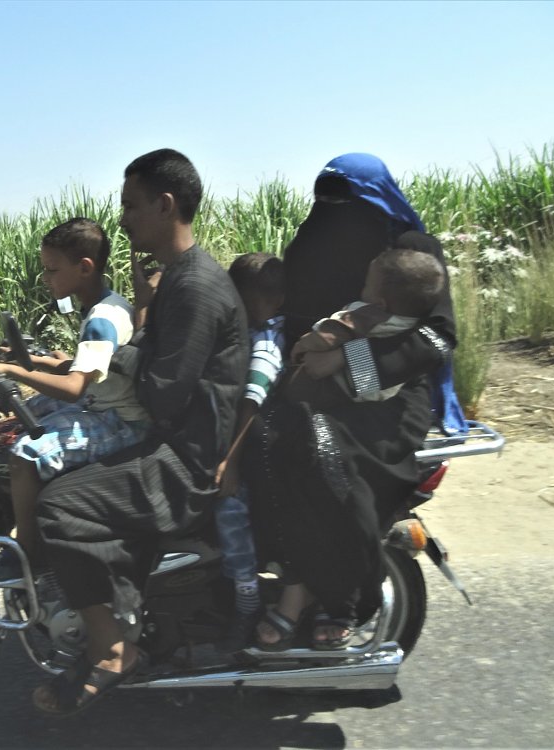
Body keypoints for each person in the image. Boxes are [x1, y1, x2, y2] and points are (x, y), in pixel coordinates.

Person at [31, 149, 248, 715]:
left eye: (131, 206)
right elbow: (151, 363)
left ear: (165, 205)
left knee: (58, 505)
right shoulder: (177, 278)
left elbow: (162, 392)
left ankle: (113, 650)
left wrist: (110, 358)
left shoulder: (196, 287)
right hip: (173, 439)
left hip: (186, 458)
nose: (123, 219)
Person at [246, 154, 464, 651]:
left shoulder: (410, 252)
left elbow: (437, 337)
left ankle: (339, 594)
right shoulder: (308, 247)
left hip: (391, 397)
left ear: (376, 199)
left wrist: (348, 362)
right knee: (262, 446)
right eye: (325, 199)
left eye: (346, 200)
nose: (334, 212)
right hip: (312, 382)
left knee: (327, 460)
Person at [0, 217, 150, 581]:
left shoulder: (101, 320)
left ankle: (28, 555)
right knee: (11, 423)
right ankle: (11, 514)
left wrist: (12, 372)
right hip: (101, 401)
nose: (45, 278)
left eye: (52, 270)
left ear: (84, 268)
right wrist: (34, 361)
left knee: (23, 454)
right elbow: (87, 365)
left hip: (121, 420)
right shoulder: (106, 304)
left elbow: (74, 387)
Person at [214, 252, 285, 651]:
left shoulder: (267, 341)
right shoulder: (249, 330)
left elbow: (250, 402)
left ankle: (246, 597)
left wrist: (231, 462)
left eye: (244, 301)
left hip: (258, 448)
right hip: (246, 438)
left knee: (230, 508)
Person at [284, 246, 447, 404]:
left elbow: (332, 335)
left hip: (337, 382)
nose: (363, 288)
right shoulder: (415, 323)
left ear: (381, 303)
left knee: (293, 385)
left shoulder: (370, 315)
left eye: (367, 285)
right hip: (377, 389)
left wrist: (302, 346)